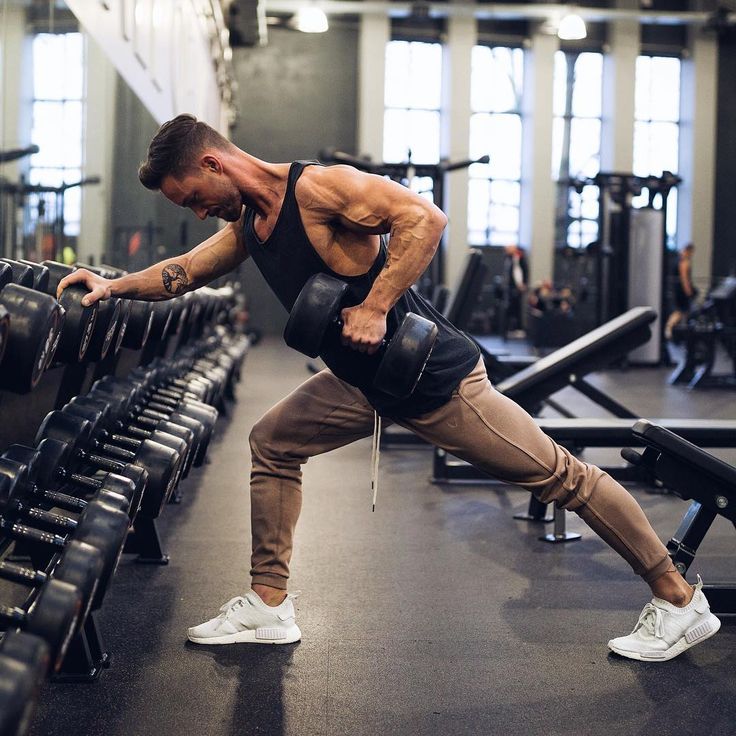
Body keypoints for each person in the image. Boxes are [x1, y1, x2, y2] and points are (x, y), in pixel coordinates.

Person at [58, 114, 720, 661]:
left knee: (563, 478)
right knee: (273, 444)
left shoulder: (319, 190)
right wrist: (113, 286)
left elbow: (424, 218)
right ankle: (268, 604)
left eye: (192, 197)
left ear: (212, 164)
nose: (197, 211)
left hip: (434, 382)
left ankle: (679, 599)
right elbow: (185, 271)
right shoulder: (248, 226)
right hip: (363, 383)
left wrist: (375, 306)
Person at [665, 243, 697, 340]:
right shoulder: (684, 262)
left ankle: (676, 330)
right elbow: (684, 279)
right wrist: (689, 292)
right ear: (688, 251)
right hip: (681, 292)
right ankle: (669, 329)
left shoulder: (677, 259)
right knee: (680, 311)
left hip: (676, 290)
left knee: (682, 312)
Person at [502, 244, 528, 337]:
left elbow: (518, 272)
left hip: (517, 287)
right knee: (510, 308)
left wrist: (521, 284)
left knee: (517, 307)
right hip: (510, 287)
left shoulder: (519, 258)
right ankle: (510, 328)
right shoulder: (508, 258)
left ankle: (519, 328)